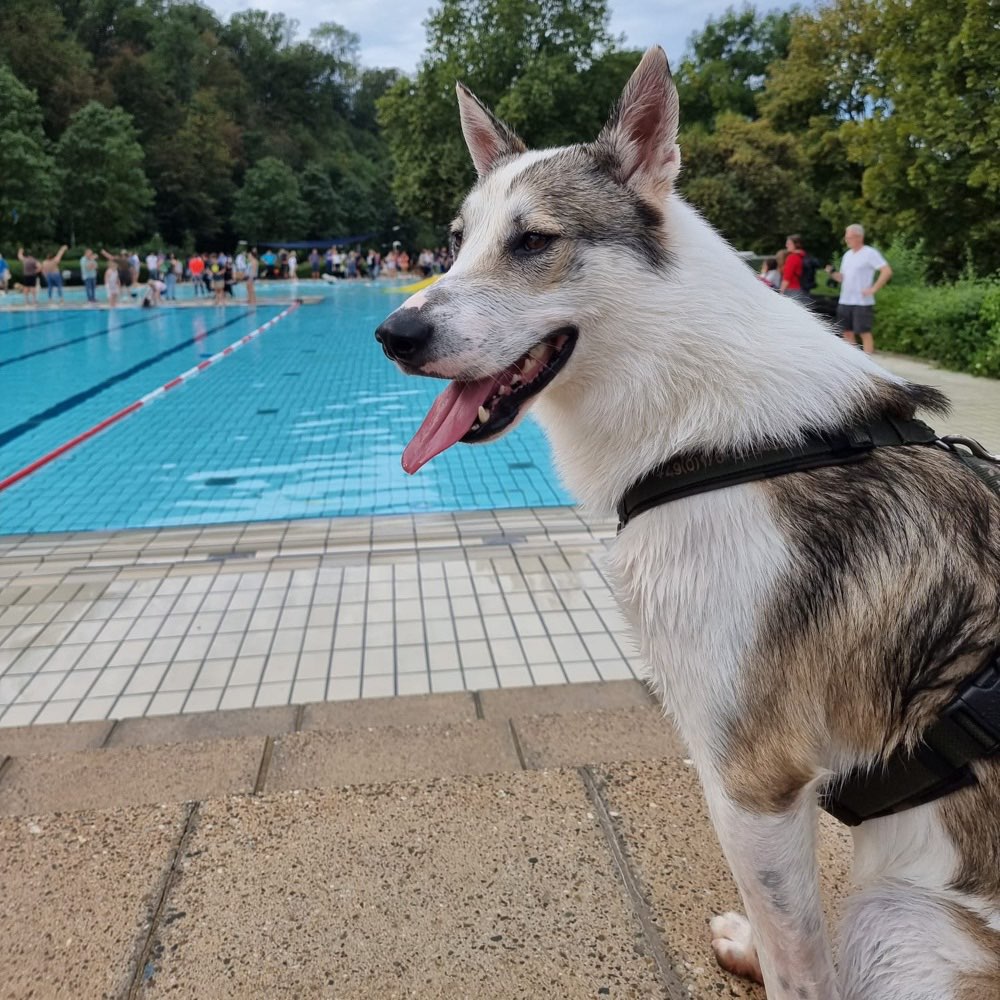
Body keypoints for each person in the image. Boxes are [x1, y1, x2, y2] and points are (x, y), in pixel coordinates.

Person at [826, 224, 893, 354]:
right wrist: (832, 273)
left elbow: (886, 271)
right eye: (846, 238)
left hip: (862, 301)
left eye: (849, 237)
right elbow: (842, 278)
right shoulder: (847, 255)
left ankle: (868, 362)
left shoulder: (869, 253)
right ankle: (853, 359)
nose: (847, 240)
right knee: (846, 332)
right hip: (845, 299)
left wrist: (873, 289)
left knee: (864, 332)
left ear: (859, 237)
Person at [779, 235, 810, 304]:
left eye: (789, 244)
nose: (786, 245)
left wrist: (780, 293)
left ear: (797, 244)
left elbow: (787, 278)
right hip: (802, 289)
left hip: (791, 290)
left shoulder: (792, 257)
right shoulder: (803, 255)